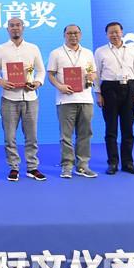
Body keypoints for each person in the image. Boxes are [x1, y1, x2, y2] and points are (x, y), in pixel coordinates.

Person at [0, 17, 47, 181]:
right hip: (9, 98)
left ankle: (32, 167)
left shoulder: (33, 48)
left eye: (18, 25)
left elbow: (41, 71)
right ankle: (13, 167)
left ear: (23, 28)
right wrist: (0, 81)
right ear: (7, 29)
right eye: (12, 26)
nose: (15, 28)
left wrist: (37, 83)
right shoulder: (0, 49)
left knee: (32, 136)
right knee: (10, 137)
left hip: (30, 98)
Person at [46, 24, 98, 179]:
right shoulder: (56, 53)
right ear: (64, 35)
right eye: (69, 33)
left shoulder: (88, 53)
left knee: (85, 133)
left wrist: (92, 76)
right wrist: (60, 86)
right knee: (66, 135)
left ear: (80, 34)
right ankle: (67, 166)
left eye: (76, 33)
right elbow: (51, 75)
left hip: (86, 98)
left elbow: (94, 72)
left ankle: (83, 165)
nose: (73, 36)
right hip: (65, 100)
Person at [94, 21, 134, 175]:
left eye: (117, 31)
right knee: (111, 128)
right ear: (106, 34)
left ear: (122, 32)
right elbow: (96, 75)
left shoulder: (133, 50)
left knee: (128, 128)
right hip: (109, 89)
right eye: (111, 32)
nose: (114, 35)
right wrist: (98, 93)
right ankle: (113, 162)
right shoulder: (100, 51)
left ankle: (128, 163)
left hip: (129, 87)